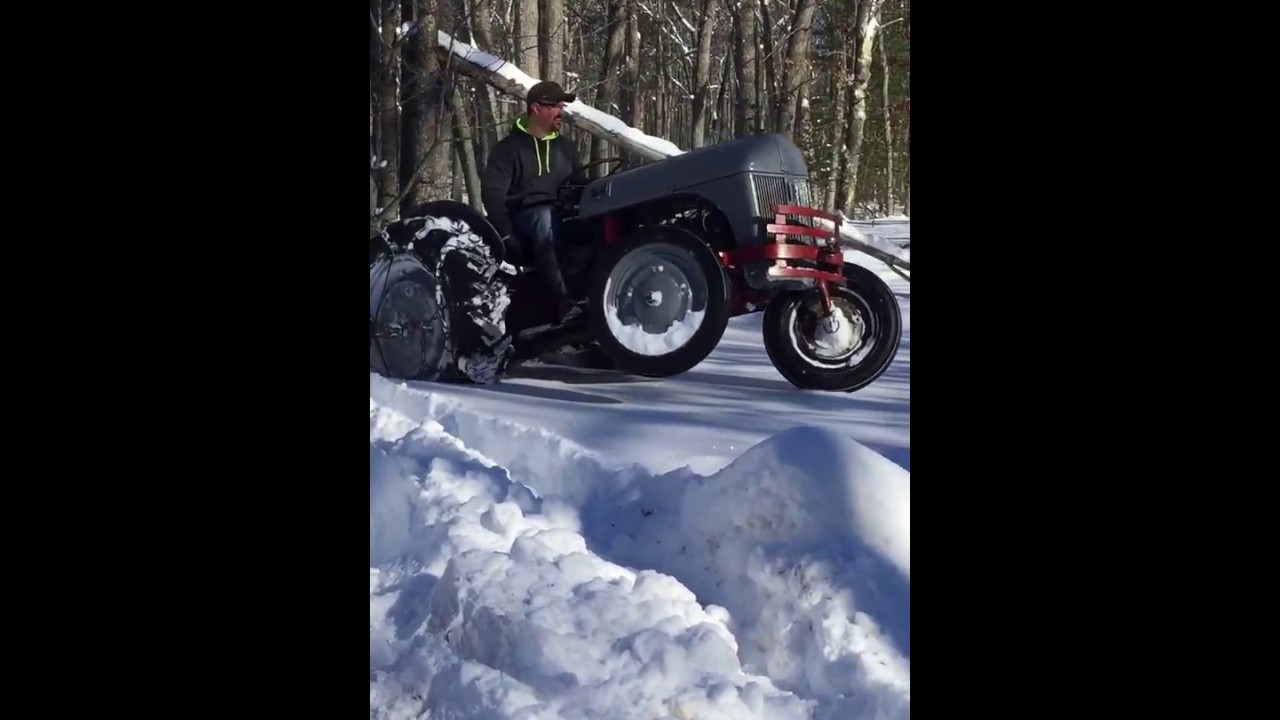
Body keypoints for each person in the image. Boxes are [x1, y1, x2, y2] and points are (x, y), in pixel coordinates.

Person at [481, 80, 588, 323]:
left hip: (561, 213)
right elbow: (493, 195)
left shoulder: (565, 147)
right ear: (536, 109)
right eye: (554, 107)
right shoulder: (508, 149)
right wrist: (506, 235)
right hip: (525, 219)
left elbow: (578, 185)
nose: (560, 113)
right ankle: (562, 303)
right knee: (543, 217)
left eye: (562, 107)